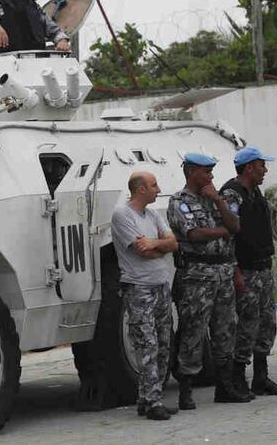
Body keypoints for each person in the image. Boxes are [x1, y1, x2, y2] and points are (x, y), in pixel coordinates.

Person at [168, 153, 249, 410]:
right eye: (207, 171)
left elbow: (236, 226)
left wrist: (217, 201)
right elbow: (194, 233)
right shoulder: (179, 202)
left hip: (223, 272)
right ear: (192, 172)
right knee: (193, 330)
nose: (212, 176)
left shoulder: (217, 200)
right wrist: (223, 231)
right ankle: (185, 389)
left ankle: (224, 387)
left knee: (226, 329)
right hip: (196, 276)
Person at [220, 147, 277, 398]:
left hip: (262, 267)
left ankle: (260, 376)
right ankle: (238, 377)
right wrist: (235, 271)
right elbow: (228, 238)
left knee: (266, 323)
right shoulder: (231, 194)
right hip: (245, 269)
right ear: (249, 167)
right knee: (246, 325)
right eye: (262, 165)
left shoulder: (254, 191)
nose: (265, 170)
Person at [111, 172, 179, 420]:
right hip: (139, 289)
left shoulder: (152, 215)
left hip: (161, 286)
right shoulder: (122, 215)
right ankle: (153, 402)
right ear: (140, 190)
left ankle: (149, 398)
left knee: (162, 345)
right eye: (154, 185)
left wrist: (155, 244)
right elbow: (143, 252)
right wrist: (158, 246)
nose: (158, 189)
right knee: (147, 345)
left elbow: (173, 243)